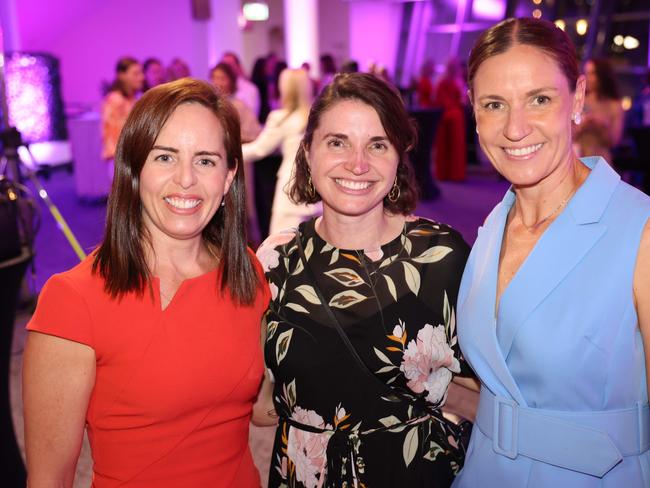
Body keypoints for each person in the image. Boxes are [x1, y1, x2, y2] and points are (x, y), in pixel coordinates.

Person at [23, 79, 270, 487]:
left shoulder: (246, 271)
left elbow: (259, 407)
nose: (186, 179)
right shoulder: (74, 301)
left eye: (206, 161)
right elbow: (48, 480)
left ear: (228, 179)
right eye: (165, 157)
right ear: (134, 168)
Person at [453, 18, 650, 487]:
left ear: (577, 99)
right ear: (474, 113)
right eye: (494, 104)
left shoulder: (639, 230)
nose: (516, 128)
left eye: (539, 99)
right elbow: (506, 389)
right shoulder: (490, 229)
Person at [254, 72, 476, 487]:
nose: (357, 164)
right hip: (306, 475)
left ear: (398, 156)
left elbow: (489, 393)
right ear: (308, 151)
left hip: (413, 471)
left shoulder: (441, 258)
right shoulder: (275, 257)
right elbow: (261, 403)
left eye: (377, 145)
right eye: (337, 142)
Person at [242, 68, 321, 236]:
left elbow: (259, 149)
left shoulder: (281, 118)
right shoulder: (317, 117)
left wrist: (227, 150)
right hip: (317, 187)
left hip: (291, 186)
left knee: (280, 249)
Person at [574, 57, 624, 162]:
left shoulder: (614, 105)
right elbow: (567, 135)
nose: (587, 77)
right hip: (578, 157)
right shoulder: (578, 100)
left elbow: (615, 141)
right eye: (586, 73)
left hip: (602, 161)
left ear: (602, 75)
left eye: (592, 73)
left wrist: (602, 125)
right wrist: (583, 124)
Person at [100, 57, 144, 165]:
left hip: (132, 157)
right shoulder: (115, 100)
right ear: (122, 75)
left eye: (141, 73)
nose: (142, 77)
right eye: (136, 74)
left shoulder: (135, 98)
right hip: (121, 160)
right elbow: (113, 136)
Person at [433, 58, 467, 181]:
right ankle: (452, 174)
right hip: (452, 115)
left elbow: (439, 99)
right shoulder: (453, 82)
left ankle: (449, 174)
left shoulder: (448, 81)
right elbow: (460, 99)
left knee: (450, 146)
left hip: (450, 115)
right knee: (451, 146)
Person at [221, 51, 261, 116]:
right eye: (223, 66)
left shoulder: (250, 89)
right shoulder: (217, 90)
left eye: (229, 65)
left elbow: (251, 115)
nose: (226, 69)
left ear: (238, 66)